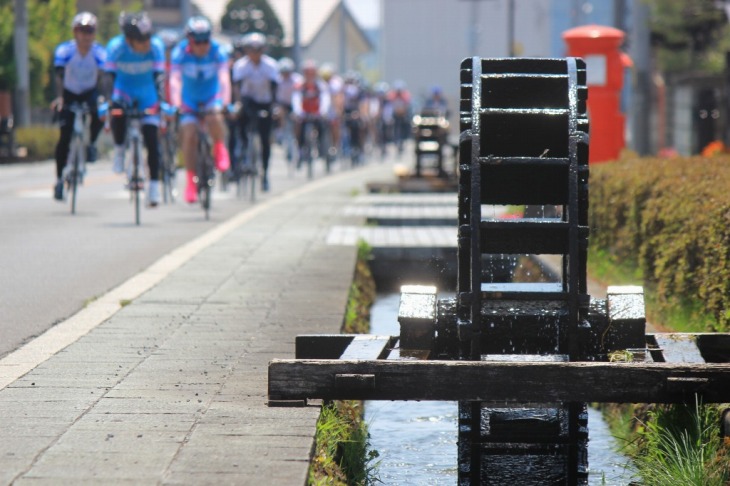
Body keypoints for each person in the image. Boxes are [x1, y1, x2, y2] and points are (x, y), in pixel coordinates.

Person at [100, 11, 167, 207]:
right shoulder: (115, 47)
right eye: (141, 39)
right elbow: (108, 78)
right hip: (124, 91)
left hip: (148, 94)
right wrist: (108, 100)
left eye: (148, 36)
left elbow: (159, 77)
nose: (146, 42)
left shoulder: (156, 47)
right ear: (128, 39)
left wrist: (161, 102)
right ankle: (119, 149)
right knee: (118, 113)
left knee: (152, 139)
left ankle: (154, 188)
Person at [169, 15, 231, 204]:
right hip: (189, 100)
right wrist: (176, 103)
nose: (203, 45)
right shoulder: (179, 53)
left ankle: (220, 148)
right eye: (198, 40)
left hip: (211, 96)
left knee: (215, 118)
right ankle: (190, 182)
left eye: (206, 40)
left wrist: (225, 102)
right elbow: (175, 80)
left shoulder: (218, 51)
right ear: (189, 40)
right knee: (189, 135)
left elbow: (224, 78)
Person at [51, 12, 106, 201]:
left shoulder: (99, 52)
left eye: (90, 31)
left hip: (89, 92)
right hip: (69, 93)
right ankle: (59, 180)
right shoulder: (65, 51)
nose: (86, 36)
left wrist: (103, 98)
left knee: (100, 113)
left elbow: (104, 78)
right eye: (82, 31)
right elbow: (58, 76)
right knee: (64, 137)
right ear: (75, 33)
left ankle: (91, 144)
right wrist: (59, 99)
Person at [231, 32, 279, 192]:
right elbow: (237, 86)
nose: (254, 53)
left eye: (258, 50)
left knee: (265, 139)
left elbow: (274, 87)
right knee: (240, 130)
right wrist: (238, 104)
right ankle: (241, 161)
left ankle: (264, 174)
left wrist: (274, 107)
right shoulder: (241, 65)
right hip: (247, 101)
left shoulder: (270, 65)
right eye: (251, 49)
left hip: (265, 102)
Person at [291, 59, 330, 167]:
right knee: (298, 127)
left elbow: (325, 99)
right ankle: (300, 149)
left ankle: (322, 149)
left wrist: (323, 111)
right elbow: (296, 99)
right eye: (307, 73)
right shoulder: (299, 85)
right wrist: (298, 111)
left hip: (317, 114)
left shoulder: (321, 85)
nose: (310, 75)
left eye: (312, 73)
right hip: (304, 114)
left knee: (322, 128)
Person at [274, 57, 302, 162]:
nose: (285, 74)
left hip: (294, 104)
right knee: (279, 113)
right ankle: (280, 132)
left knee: (297, 120)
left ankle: (297, 139)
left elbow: (298, 95)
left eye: (287, 72)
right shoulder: (277, 79)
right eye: (283, 72)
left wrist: (297, 110)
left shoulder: (297, 79)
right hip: (282, 103)